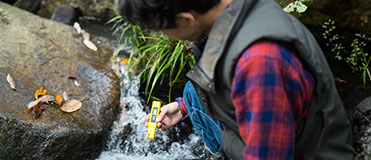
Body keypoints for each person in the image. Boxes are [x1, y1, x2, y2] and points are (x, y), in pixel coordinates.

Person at [120, 0, 354, 159]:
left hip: (309, 152)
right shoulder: (239, 8)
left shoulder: (260, 63)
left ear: (186, 19)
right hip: (290, 132)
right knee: (193, 93)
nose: (162, 35)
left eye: (162, 29)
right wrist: (184, 107)